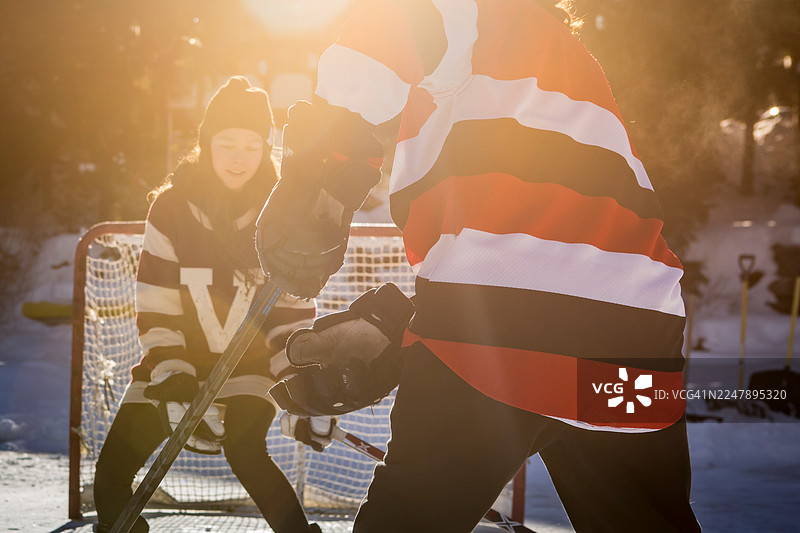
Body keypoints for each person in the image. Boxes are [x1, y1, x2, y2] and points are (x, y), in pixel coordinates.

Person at [256, 1, 702, 532]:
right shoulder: (568, 61)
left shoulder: (481, 11)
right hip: (637, 335)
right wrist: (411, 324)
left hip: (500, 334)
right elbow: (562, 248)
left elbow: (393, 28)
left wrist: (319, 175)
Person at [93, 76, 321, 533]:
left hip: (248, 367)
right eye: (227, 143)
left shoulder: (281, 214)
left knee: (245, 448)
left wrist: (297, 379)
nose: (239, 158)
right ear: (205, 144)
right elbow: (156, 298)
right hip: (175, 363)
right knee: (109, 478)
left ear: (266, 150)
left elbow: (291, 312)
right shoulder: (172, 208)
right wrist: (172, 368)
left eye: (252, 146)